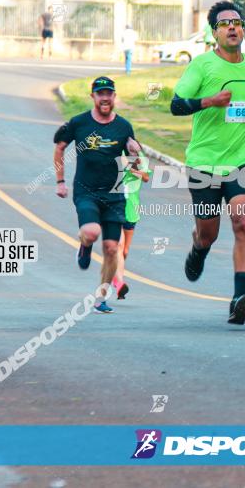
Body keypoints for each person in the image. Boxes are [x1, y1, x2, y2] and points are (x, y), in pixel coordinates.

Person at [170, 0, 245, 325]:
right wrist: (209, 101)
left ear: (243, 29)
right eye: (224, 23)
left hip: (243, 160)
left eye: (237, 22)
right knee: (209, 234)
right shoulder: (202, 66)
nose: (232, 27)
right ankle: (198, 249)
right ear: (214, 32)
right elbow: (176, 105)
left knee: (243, 224)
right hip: (204, 162)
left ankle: (238, 299)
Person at [54, 76, 141, 313]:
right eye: (100, 93)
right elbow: (60, 146)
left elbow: (135, 167)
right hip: (86, 191)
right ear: (93, 96)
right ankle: (85, 245)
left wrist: (136, 155)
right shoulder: (79, 122)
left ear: (114, 97)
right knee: (91, 232)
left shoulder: (124, 127)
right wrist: (60, 181)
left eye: (109, 93)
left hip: (114, 196)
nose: (105, 98)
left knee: (113, 249)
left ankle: (101, 297)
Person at [111, 153, 151, 299]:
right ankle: (120, 283)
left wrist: (133, 169)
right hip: (116, 209)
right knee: (119, 247)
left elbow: (146, 178)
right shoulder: (118, 153)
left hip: (132, 212)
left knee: (125, 251)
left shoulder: (141, 159)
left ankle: (116, 277)